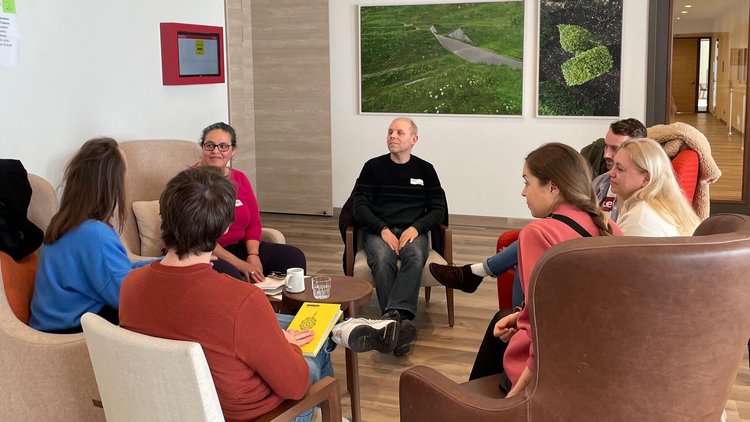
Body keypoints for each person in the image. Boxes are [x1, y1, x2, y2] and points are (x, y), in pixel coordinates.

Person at [120, 167, 399, 422]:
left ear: (164, 217)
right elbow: (296, 385)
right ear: (224, 228)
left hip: (175, 410)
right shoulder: (241, 300)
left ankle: (339, 330)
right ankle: (331, 408)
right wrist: (288, 345)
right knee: (314, 354)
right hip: (257, 415)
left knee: (284, 328)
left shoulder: (131, 285)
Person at [468, 143, 621, 397]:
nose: (523, 192)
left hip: (549, 370)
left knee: (498, 332)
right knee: (501, 320)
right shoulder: (611, 228)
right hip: (597, 363)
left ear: (552, 187)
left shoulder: (537, 233)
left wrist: (516, 394)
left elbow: (544, 323)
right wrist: (519, 316)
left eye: (527, 182)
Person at [429, 118, 646, 297]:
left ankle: (477, 271)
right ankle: (477, 272)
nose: (606, 154)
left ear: (553, 187)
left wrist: (516, 324)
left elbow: (534, 313)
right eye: (606, 146)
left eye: (527, 182)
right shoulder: (604, 197)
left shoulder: (637, 213)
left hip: (544, 338)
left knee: (524, 247)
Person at [29, 138, 151, 333]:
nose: (127, 178)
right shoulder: (94, 233)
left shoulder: (65, 221)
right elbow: (128, 298)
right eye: (125, 171)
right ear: (112, 180)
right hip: (68, 332)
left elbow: (119, 269)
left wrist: (162, 264)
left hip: (52, 324)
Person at [352, 117, 446, 356]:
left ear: (414, 140)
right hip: (379, 231)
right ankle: (399, 322)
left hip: (412, 230)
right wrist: (382, 229)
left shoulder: (426, 169)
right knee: (382, 259)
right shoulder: (372, 167)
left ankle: (391, 321)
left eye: (400, 132)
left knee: (414, 256)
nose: (393, 136)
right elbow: (359, 206)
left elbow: (438, 209)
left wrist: (417, 228)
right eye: (390, 132)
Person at [196, 122, 306, 283]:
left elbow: (253, 223)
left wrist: (252, 255)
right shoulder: (190, 182)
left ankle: (286, 308)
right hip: (205, 252)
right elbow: (198, 237)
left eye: (223, 146)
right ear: (202, 148)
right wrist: (240, 264)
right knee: (231, 273)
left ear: (233, 150)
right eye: (210, 145)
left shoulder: (240, 178)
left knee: (293, 257)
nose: (216, 151)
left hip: (239, 247)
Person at [609, 138, 700, 236]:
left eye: (620, 169)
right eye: (613, 166)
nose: (611, 173)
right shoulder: (664, 206)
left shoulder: (640, 218)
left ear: (646, 179)